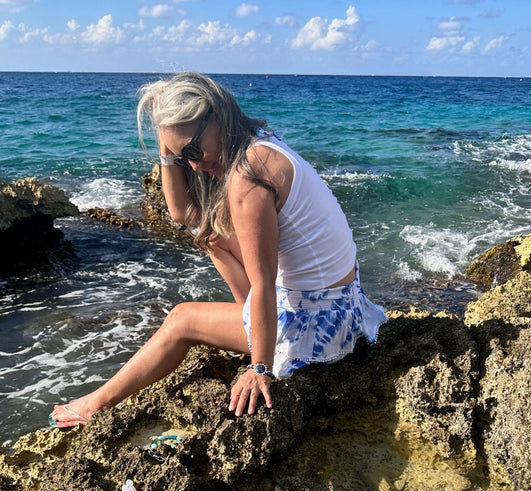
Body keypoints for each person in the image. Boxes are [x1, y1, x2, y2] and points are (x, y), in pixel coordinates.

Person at [49, 71, 387, 427]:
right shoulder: (259, 143)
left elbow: (263, 283)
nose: (194, 165)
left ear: (216, 116)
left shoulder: (249, 177)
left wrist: (259, 369)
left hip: (318, 325)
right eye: (185, 158)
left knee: (182, 319)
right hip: (344, 304)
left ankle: (96, 404)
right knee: (211, 234)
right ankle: (249, 322)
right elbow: (183, 214)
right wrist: (168, 146)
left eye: (195, 150)